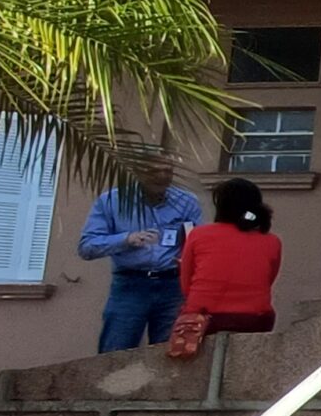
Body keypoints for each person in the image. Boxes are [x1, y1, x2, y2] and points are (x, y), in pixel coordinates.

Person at [79, 150, 205, 352]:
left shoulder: (186, 201)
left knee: (172, 351)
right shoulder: (111, 201)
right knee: (116, 351)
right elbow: (87, 247)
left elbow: (199, 243)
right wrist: (126, 239)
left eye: (168, 171)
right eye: (154, 171)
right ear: (137, 172)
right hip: (130, 285)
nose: (162, 176)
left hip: (172, 285)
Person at [179, 177, 285, 334]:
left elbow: (186, 281)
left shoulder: (199, 235)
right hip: (255, 317)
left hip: (202, 317)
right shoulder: (272, 241)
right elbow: (267, 279)